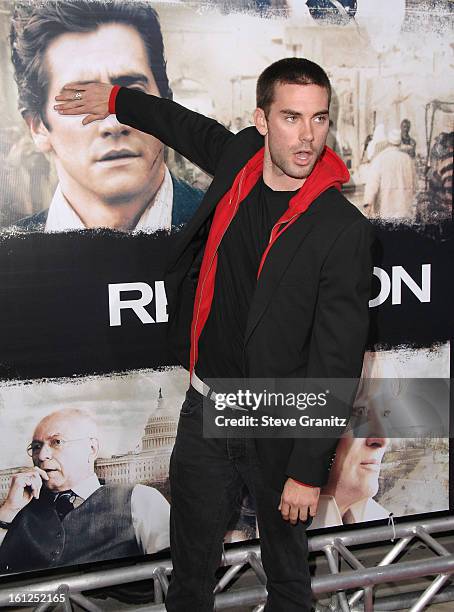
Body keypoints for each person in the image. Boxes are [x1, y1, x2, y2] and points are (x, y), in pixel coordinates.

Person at [54, 57, 374, 611]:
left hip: (278, 417)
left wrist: (305, 470)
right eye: (291, 118)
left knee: (287, 579)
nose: (307, 137)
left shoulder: (342, 230)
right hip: (205, 410)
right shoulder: (239, 162)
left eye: (319, 119)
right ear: (261, 120)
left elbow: (338, 360)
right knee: (190, 577)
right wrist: (114, 100)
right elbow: (181, 125)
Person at [9, 0, 202, 233]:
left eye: (133, 95)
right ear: (38, 127)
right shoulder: (11, 258)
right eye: (79, 101)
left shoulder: (242, 231)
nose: (115, 122)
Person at [0, 408, 170, 573]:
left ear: (91, 449)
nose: (42, 455)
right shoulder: (16, 509)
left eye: (57, 442)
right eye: (36, 446)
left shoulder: (140, 499)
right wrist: (8, 510)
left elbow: (176, 575)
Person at [364, 128, 416, 219]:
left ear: (388, 142)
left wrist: (367, 203)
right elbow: (415, 185)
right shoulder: (408, 159)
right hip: (405, 210)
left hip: (386, 210)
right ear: (400, 143)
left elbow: (372, 184)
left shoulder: (380, 159)